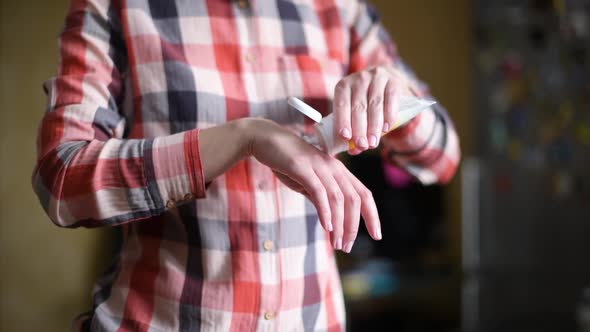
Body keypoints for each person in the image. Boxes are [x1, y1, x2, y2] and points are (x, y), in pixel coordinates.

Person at [31, 0, 461, 330]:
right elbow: (63, 180)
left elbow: (441, 157)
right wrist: (245, 138)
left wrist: (395, 93)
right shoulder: (117, 7)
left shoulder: (339, 9)